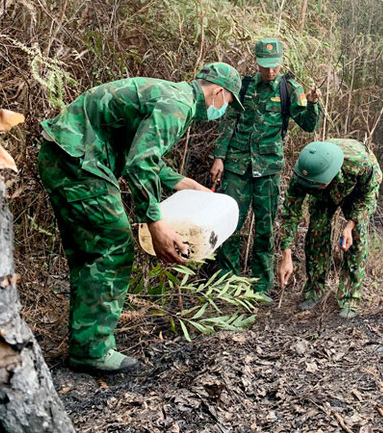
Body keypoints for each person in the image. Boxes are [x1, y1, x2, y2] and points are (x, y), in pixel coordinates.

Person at [38, 62, 243, 373]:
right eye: (228, 102)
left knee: (90, 252)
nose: (224, 110)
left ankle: (86, 344)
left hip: (65, 155)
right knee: (114, 247)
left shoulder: (172, 95)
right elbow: (139, 165)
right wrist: (155, 223)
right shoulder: (178, 106)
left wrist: (185, 183)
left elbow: (139, 153)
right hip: (81, 163)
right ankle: (92, 350)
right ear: (218, 91)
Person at [210, 38, 322, 298]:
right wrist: (219, 157)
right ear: (256, 62)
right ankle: (226, 282)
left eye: (273, 66)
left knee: (264, 226)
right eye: (264, 66)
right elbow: (229, 120)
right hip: (237, 165)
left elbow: (307, 124)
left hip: (268, 168)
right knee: (230, 223)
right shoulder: (244, 86)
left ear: (281, 62)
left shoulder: (291, 89)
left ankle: (261, 285)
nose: (269, 71)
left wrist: (313, 103)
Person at [277, 139, 382, 319]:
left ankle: (350, 297)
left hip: (355, 191)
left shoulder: (360, 163)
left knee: (356, 238)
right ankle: (314, 291)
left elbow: (368, 197)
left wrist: (350, 225)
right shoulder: (303, 173)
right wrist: (286, 254)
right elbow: (290, 213)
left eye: (317, 184)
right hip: (324, 197)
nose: (312, 188)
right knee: (316, 234)